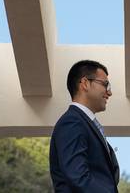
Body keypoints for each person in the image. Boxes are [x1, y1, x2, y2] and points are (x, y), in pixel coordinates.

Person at [50, 60, 120, 192]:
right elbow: (78, 177)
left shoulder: (82, 122)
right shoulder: (72, 122)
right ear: (85, 83)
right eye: (106, 85)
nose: (109, 92)